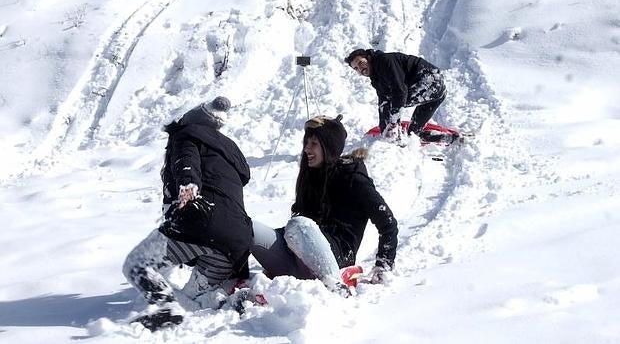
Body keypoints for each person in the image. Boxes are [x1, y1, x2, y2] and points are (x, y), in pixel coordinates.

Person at [122, 96, 253, 331]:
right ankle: (228, 303)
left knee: (136, 265)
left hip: (200, 223)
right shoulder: (230, 150)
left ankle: (165, 307)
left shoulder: (186, 135)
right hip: (237, 245)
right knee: (192, 301)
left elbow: (186, 161)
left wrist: (188, 185)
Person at [252, 114, 398, 293]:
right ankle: (253, 282)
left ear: (328, 147)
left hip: (336, 257)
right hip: (301, 258)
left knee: (299, 225)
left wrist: (383, 266)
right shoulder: (312, 177)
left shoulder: (353, 178)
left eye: (313, 143)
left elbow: (388, 223)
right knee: (248, 229)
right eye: (306, 143)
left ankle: (335, 286)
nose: (307, 149)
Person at [345, 48, 456, 144]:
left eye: (360, 63)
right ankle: (451, 139)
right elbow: (383, 103)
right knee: (413, 133)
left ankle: (395, 135)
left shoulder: (384, 61)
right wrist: (383, 128)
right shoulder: (376, 79)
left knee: (395, 99)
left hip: (430, 82)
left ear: (368, 58)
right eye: (356, 68)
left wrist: (393, 124)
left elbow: (400, 91)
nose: (360, 69)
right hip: (435, 92)